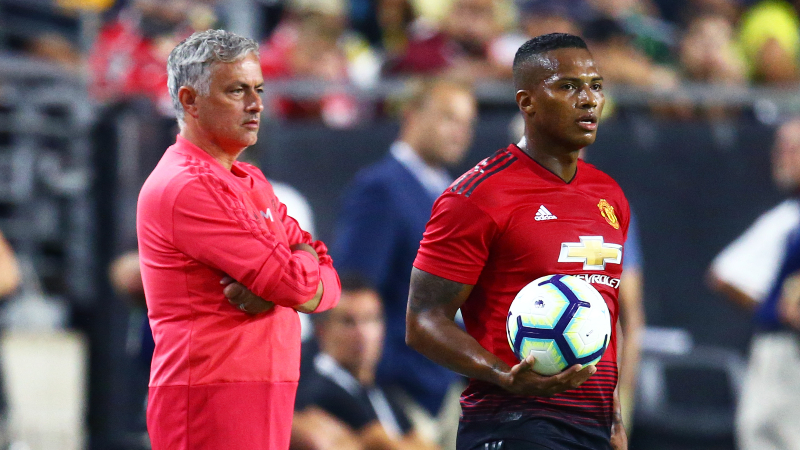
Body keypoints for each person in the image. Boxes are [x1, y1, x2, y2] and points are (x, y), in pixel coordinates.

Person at [406, 33, 630, 450]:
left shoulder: (609, 195)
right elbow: (422, 321)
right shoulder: (476, 196)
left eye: (595, 86)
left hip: (593, 426)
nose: (588, 99)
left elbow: (603, 314)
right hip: (511, 424)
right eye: (568, 86)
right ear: (526, 102)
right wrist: (500, 373)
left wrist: (613, 416)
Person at [136, 29, 341, 450]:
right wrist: (294, 275)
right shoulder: (186, 185)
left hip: (263, 387)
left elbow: (327, 287)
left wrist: (289, 274)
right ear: (190, 101)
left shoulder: (251, 179)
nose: (257, 104)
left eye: (259, 89)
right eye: (237, 91)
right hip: (213, 394)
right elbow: (300, 285)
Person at [332, 77, 477, 426]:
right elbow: (355, 288)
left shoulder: (450, 191)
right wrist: (384, 381)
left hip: (446, 385)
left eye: (467, 123)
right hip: (404, 390)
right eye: (448, 118)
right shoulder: (381, 187)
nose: (460, 132)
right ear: (411, 116)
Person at [708, 117, 800, 450]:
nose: (783, 157)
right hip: (781, 350)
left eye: (793, 149)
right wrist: (774, 308)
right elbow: (723, 274)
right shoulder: (786, 218)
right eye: (781, 148)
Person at [294, 275, 439, 450]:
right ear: (321, 331)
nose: (362, 333)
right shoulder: (318, 390)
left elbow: (421, 443)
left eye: (371, 319)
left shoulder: (379, 390)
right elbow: (386, 444)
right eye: (348, 322)